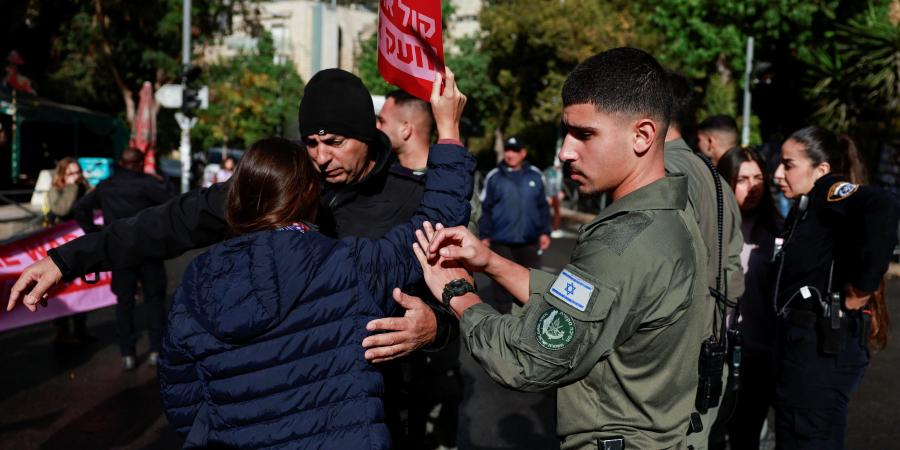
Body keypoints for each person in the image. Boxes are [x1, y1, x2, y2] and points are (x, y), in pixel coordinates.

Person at [7, 67, 468, 445]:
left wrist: (432, 328)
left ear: (367, 136)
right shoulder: (277, 187)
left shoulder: (412, 200)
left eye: (335, 143)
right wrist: (68, 259)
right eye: (311, 142)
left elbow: (457, 292)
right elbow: (169, 222)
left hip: (370, 410)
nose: (321, 158)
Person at [410, 47, 714, 449]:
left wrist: (458, 293)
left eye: (585, 134)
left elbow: (525, 361)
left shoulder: (623, 243)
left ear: (642, 135)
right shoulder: (670, 216)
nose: (566, 151)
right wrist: (491, 262)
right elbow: (587, 300)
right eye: (568, 132)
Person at [159, 117, 473, 448]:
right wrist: (449, 129)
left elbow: (182, 397)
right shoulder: (346, 264)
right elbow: (434, 222)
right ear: (309, 192)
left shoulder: (196, 281)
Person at [771, 126, 898, 449]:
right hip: (803, 349)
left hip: (821, 348)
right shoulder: (804, 207)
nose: (777, 174)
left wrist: (860, 291)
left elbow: (882, 206)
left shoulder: (828, 190)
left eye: (788, 165)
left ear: (822, 169)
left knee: (811, 438)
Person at [376, 88, 474, 449]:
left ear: (406, 129)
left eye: (381, 121)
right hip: (388, 362)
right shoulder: (380, 182)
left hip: (433, 358)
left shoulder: (452, 186)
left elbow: (462, 276)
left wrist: (435, 323)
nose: (375, 127)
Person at [665, 71, 745, 449]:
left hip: (668, 354)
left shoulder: (655, 174)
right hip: (711, 344)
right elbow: (734, 268)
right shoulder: (715, 179)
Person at [71, 148, 174, 370]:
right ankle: (157, 350)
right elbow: (173, 203)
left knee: (124, 303)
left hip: (119, 252)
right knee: (154, 300)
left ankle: (127, 353)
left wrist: (96, 232)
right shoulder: (148, 184)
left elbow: (80, 208)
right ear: (140, 163)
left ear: (121, 163)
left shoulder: (108, 185)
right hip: (149, 250)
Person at [715, 147, 780, 450]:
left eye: (758, 178)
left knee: (746, 436)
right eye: (742, 179)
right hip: (714, 347)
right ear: (726, 182)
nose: (752, 187)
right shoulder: (710, 227)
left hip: (758, 352)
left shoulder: (777, 230)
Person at [479, 136, 551, 313]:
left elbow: (543, 206)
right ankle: (504, 320)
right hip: (501, 241)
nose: (510, 154)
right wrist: (484, 235)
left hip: (529, 240)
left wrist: (544, 232)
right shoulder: (494, 177)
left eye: (515, 151)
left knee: (532, 283)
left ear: (523, 153)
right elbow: (485, 208)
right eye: (508, 150)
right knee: (502, 284)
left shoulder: (536, 175)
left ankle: (530, 319)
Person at [46, 157, 94, 345]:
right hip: (62, 250)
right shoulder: (55, 191)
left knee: (81, 289)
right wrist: (71, 187)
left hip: (81, 247)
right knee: (62, 290)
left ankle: (81, 329)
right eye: (71, 173)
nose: (76, 176)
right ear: (62, 175)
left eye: (77, 172)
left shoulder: (86, 189)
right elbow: (61, 210)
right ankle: (62, 333)